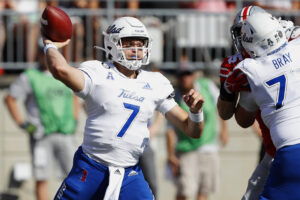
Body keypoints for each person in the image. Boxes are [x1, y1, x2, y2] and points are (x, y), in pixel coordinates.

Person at [42, 16, 205, 199]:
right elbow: (59, 69)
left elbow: (192, 130)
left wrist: (196, 112)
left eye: (140, 43)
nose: (136, 49)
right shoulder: (98, 72)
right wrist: (50, 45)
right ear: (112, 44)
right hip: (91, 167)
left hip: (130, 174)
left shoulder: (155, 82)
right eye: (128, 43)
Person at [218, 5, 300, 200]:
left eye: (245, 32)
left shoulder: (246, 68)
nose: (241, 38)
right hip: (276, 148)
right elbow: (226, 114)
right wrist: (227, 93)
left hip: (285, 149)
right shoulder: (294, 44)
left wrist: (231, 89)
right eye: (240, 31)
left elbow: (242, 120)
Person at [4, 40, 78, 200]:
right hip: (41, 136)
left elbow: (74, 97)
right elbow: (10, 98)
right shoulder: (29, 76)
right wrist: (22, 123)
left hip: (65, 133)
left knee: (74, 177)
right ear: (39, 54)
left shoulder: (63, 72)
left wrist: (75, 119)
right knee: (41, 177)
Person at [167, 64, 228, 200]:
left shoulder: (207, 86)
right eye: (181, 75)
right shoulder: (174, 97)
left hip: (209, 147)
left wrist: (224, 129)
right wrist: (171, 155)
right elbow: (169, 129)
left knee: (204, 190)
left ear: (194, 75)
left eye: (188, 73)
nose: (185, 78)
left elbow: (221, 106)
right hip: (187, 149)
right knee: (184, 190)